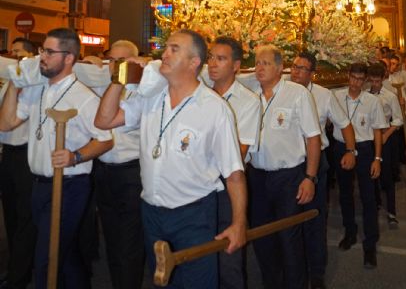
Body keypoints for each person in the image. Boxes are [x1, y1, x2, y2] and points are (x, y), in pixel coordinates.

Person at [95, 29, 247, 289]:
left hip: (193, 214)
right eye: (166, 48)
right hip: (151, 211)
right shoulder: (151, 98)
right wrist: (118, 78)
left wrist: (239, 223)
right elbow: (104, 120)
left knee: (197, 282)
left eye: (174, 49)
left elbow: (234, 174)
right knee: (163, 281)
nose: (164, 53)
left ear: (193, 62)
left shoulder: (214, 108)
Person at [0, 28, 113, 289]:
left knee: (47, 259)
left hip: (69, 186)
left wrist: (75, 156)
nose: (43, 57)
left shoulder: (83, 98)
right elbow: (6, 123)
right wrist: (15, 85)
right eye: (42, 51)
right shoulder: (38, 90)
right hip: (38, 185)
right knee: (65, 253)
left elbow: (105, 139)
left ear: (69, 58)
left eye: (50, 52)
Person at [247, 44, 321, 289]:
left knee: (289, 239)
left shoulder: (297, 94)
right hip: (256, 176)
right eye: (257, 63)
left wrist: (309, 177)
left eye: (266, 63)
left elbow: (313, 138)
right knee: (262, 238)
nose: (260, 68)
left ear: (280, 68)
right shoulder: (248, 93)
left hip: (288, 177)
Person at [290, 51, 356, 289]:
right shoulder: (281, 91)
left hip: (315, 164)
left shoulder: (324, 95)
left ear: (312, 73)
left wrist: (350, 151)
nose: (295, 72)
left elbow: (345, 124)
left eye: (301, 68)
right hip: (289, 165)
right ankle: (294, 271)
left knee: (315, 219)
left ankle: (317, 273)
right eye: (294, 66)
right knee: (289, 221)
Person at [207, 36, 261, 289]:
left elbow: (238, 153)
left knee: (229, 259)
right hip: (199, 184)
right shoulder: (199, 94)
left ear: (236, 65)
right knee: (202, 254)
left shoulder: (248, 101)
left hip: (228, 183)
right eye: (210, 57)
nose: (213, 64)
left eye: (221, 58)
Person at [94, 39, 145, 289]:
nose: (114, 66)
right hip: (103, 171)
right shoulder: (102, 88)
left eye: (121, 61)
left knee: (128, 243)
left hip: (130, 173)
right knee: (112, 240)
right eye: (112, 60)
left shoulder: (142, 92)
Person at [333, 63, 387, 269]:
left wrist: (377, 158)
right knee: (345, 193)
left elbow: (377, 131)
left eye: (359, 79)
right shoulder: (336, 96)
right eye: (352, 77)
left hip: (364, 150)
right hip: (341, 148)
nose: (355, 82)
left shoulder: (372, 101)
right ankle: (350, 232)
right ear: (348, 76)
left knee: (368, 197)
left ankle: (370, 244)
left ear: (365, 80)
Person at [0, 37, 36, 289]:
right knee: (10, 216)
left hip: (27, 154)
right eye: (12, 52)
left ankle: (19, 277)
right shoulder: (7, 83)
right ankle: (15, 265)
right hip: (8, 154)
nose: (15, 56)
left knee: (25, 219)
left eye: (20, 52)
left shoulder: (35, 83)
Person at [367, 62, 403, 228]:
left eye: (377, 81)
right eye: (372, 81)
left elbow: (398, 119)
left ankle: (392, 212)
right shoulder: (365, 95)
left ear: (383, 79)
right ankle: (375, 203)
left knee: (387, 175)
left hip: (385, 136)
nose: (374, 84)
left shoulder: (390, 96)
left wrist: (386, 135)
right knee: (371, 172)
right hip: (369, 137)